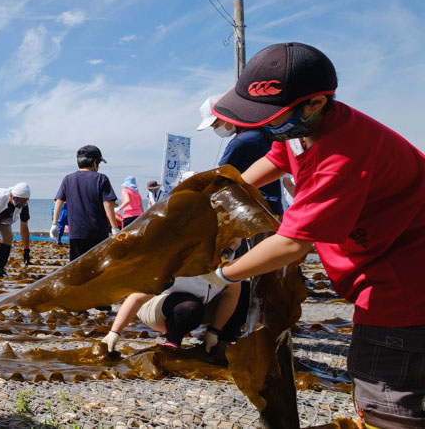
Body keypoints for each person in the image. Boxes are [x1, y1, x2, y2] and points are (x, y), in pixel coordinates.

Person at [204, 42, 425, 428]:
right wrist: (217, 198)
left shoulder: (343, 154)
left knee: (384, 395)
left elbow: (292, 243)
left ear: (316, 103)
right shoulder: (299, 129)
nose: (261, 125)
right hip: (381, 264)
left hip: (404, 284)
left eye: (270, 116)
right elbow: (274, 161)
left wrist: (219, 276)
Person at [102, 242, 246, 353]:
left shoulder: (229, 259)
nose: (233, 244)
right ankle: (173, 341)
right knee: (190, 307)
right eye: (230, 240)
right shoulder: (184, 257)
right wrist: (115, 332)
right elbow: (138, 297)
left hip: (199, 305)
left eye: (236, 242)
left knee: (246, 289)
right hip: (155, 307)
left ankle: (222, 340)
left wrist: (214, 331)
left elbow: (232, 295)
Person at [197, 94, 284, 218]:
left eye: (216, 125)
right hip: (271, 208)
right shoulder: (258, 134)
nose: (216, 130)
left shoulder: (241, 141)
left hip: (255, 211)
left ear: (227, 116)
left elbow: (217, 177)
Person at [49, 145, 119, 261]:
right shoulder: (101, 179)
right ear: (95, 162)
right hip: (98, 232)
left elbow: (58, 201)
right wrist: (114, 227)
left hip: (76, 233)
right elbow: (108, 203)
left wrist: (54, 224)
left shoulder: (68, 179)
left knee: (77, 266)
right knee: (97, 265)